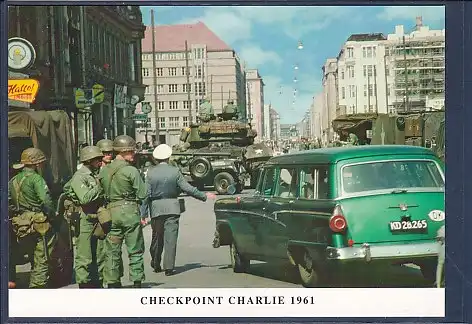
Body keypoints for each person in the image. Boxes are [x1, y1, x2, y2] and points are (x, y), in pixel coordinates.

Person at [142, 144, 216, 276]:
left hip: (156, 208)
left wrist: (143, 214)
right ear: (169, 156)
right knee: (171, 238)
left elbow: (146, 194)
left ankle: (156, 261)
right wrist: (204, 196)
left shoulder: (150, 173)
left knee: (157, 237)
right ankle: (169, 267)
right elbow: (187, 188)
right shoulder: (175, 171)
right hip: (173, 207)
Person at [100, 135, 147, 288]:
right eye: (131, 151)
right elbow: (142, 194)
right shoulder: (131, 171)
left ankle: (113, 283)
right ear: (123, 151)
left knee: (112, 251)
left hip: (111, 213)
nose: (133, 154)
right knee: (135, 249)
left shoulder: (104, 170)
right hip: (129, 213)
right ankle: (137, 281)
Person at [8, 148, 56, 288]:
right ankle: (37, 287)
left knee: (31, 255)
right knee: (43, 257)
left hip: (21, 223)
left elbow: (10, 201)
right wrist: (52, 215)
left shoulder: (14, 180)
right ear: (36, 164)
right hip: (38, 222)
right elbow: (45, 200)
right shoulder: (36, 179)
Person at [63, 146, 106, 288]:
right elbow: (85, 198)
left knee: (99, 254)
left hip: (96, 217)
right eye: (98, 159)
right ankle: (84, 285)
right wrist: (99, 186)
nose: (101, 162)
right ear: (89, 160)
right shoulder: (80, 176)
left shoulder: (93, 174)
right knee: (85, 255)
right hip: (84, 218)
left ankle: (97, 282)